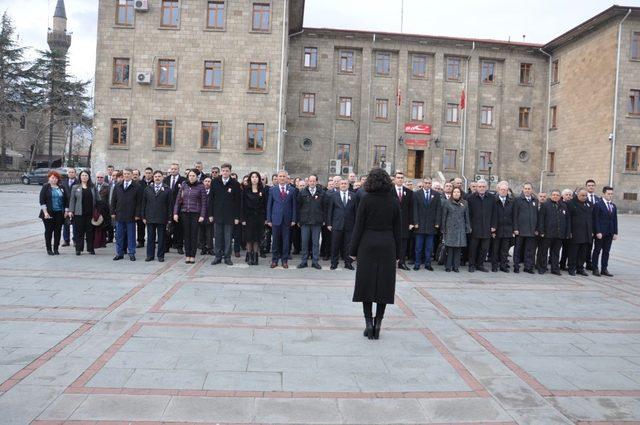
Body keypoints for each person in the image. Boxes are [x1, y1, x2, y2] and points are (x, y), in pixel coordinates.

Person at [350, 168, 401, 340]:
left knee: (366, 283)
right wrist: (399, 253)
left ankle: (368, 324)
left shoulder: (365, 199)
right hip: (387, 244)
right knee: (384, 286)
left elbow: (358, 226)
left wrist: (352, 250)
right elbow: (398, 230)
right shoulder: (394, 201)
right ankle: (378, 323)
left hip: (367, 244)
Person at [209, 163, 242, 266]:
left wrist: (237, 216)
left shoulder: (235, 183)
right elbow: (211, 199)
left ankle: (227, 257)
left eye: (227, 171)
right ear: (221, 172)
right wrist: (210, 214)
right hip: (217, 214)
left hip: (230, 216)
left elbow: (238, 202)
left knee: (228, 238)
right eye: (223, 171)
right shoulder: (215, 182)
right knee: (218, 237)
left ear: (230, 172)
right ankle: (217, 257)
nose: (225, 172)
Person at [173, 170, 207, 264]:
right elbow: (178, 200)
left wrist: (202, 215)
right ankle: (187, 255)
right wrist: (175, 213)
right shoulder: (184, 185)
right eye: (190, 175)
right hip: (184, 213)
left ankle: (192, 255)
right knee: (187, 235)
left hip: (195, 213)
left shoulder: (201, 186)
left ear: (197, 177)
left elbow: (204, 203)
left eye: (193, 176)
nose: (191, 177)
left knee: (194, 235)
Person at [267, 170, 297, 268]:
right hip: (275, 219)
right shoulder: (272, 190)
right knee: (275, 241)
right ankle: (274, 260)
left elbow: (294, 206)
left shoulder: (292, 190)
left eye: (284, 176)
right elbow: (269, 206)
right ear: (278, 178)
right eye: (280, 176)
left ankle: (285, 261)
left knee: (286, 241)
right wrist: (269, 219)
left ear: (287, 178)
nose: (282, 178)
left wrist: (293, 219)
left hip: (287, 220)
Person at [537, 190, 570, 275]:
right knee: (543, 252)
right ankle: (542, 268)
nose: (555, 196)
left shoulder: (564, 206)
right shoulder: (545, 205)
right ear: (551, 196)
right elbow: (541, 220)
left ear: (560, 197)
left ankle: (555, 269)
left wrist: (567, 232)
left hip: (559, 234)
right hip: (547, 234)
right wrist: (541, 231)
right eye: (554, 195)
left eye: (557, 195)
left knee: (555, 253)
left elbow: (567, 220)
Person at [141, 170, 172, 262]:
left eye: (159, 176)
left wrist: (169, 218)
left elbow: (170, 205)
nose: (157, 178)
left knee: (161, 238)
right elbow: (144, 204)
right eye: (155, 177)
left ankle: (160, 256)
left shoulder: (167, 189)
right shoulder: (147, 189)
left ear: (162, 178)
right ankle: (150, 255)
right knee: (150, 238)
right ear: (153, 178)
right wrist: (143, 216)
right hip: (150, 217)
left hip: (162, 217)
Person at [327, 179, 357, 270]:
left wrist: (356, 224)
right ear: (339, 185)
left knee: (348, 246)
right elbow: (330, 211)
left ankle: (348, 263)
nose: (343, 185)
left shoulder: (353, 196)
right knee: (335, 245)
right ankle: (334, 263)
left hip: (350, 225)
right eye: (342, 184)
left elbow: (356, 211)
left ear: (348, 185)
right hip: (336, 224)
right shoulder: (333, 196)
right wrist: (329, 223)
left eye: (345, 184)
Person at [467, 179, 497, 272]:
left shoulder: (492, 198)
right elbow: (468, 214)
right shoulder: (471, 198)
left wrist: (493, 225)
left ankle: (480, 264)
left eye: (483, 186)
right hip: (475, 228)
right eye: (479, 186)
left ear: (486, 187)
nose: (481, 188)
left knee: (484, 249)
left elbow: (494, 213)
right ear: (476, 187)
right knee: (473, 248)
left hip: (487, 228)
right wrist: (470, 226)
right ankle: (471, 265)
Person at [111, 169, 141, 261]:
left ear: (132, 175)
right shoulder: (118, 185)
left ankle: (131, 253)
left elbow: (139, 202)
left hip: (131, 215)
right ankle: (119, 253)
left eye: (128, 174)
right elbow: (113, 200)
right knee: (119, 235)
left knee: (131, 235)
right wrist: (112, 212)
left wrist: (137, 214)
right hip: (119, 214)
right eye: (125, 174)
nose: (126, 175)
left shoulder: (137, 186)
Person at [68, 170, 100, 256]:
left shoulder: (93, 187)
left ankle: (90, 248)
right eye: (83, 175)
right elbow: (72, 200)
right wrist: (71, 211)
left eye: (86, 175)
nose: (84, 177)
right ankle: (78, 249)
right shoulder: (75, 187)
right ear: (80, 177)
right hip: (79, 213)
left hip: (90, 213)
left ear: (89, 177)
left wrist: (100, 210)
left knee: (90, 232)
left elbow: (98, 199)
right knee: (79, 232)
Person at [412, 177, 441, 271]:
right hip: (419, 225)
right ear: (423, 183)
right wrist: (415, 222)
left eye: (429, 183)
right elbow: (415, 209)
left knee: (429, 247)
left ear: (431, 184)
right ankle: (417, 263)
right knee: (418, 247)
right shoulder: (417, 194)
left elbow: (438, 209)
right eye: (426, 183)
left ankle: (428, 264)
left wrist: (437, 222)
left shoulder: (436, 194)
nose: (427, 185)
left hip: (431, 225)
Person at [297, 174, 324, 269]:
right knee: (304, 242)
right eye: (310, 181)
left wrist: (323, 219)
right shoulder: (302, 192)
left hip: (317, 222)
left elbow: (324, 207)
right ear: (308, 182)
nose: (312, 183)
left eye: (314, 181)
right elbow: (298, 207)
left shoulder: (321, 192)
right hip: (305, 222)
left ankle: (315, 261)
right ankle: (304, 261)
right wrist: (298, 220)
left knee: (316, 243)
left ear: (316, 182)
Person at [442, 187, 472, 273]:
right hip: (450, 228)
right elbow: (444, 216)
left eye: (458, 192)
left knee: (458, 249)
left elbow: (467, 216)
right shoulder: (447, 203)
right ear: (452, 193)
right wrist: (443, 228)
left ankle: (456, 266)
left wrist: (467, 227)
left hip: (460, 228)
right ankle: (448, 266)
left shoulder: (465, 203)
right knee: (450, 248)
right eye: (454, 192)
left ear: (460, 194)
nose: (456, 193)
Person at [39, 170, 68, 255]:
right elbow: (42, 200)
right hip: (48, 213)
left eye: (56, 178)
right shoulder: (45, 187)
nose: (54, 179)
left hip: (59, 213)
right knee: (48, 231)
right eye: (52, 178)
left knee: (58, 231)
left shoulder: (61, 187)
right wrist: (45, 212)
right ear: (49, 178)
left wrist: (66, 210)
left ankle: (56, 248)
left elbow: (66, 199)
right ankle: (49, 249)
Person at [591, 186, 618, 277]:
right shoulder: (598, 204)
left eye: (611, 194)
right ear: (604, 194)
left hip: (610, 232)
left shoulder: (613, 206)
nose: (610, 195)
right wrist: (597, 231)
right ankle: (595, 268)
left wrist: (615, 232)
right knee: (597, 250)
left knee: (606, 251)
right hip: (600, 233)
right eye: (608, 194)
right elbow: (596, 219)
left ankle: (604, 269)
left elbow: (615, 220)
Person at [242, 171, 267, 266]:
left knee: (256, 238)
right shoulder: (245, 190)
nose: (254, 179)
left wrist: (265, 218)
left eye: (256, 177)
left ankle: (255, 257)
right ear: (250, 179)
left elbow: (265, 205)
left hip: (259, 218)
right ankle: (249, 255)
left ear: (259, 179)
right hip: (248, 217)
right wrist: (243, 219)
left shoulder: (262, 190)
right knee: (249, 238)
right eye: (252, 177)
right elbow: (242, 205)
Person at [566, 188, 593, 276]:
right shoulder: (570, 203)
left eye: (586, 195)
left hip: (586, 232)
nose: (584, 197)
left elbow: (591, 218)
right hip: (575, 232)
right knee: (573, 252)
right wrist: (569, 231)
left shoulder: (589, 204)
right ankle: (571, 268)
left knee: (583, 252)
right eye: (582, 195)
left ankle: (580, 268)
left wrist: (592, 231)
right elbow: (568, 218)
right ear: (577, 195)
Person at [512, 182, 538, 274]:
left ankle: (528, 267)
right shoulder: (518, 200)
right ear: (523, 190)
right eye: (526, 188)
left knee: (529, 250)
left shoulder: (535, 200)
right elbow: (514, 215)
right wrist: (515, 228)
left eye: (529, 189)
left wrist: (536, 229)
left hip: (531, 231)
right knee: (518, 249)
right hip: (520, 230)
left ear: (532, 190)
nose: (527, 190)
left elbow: (536, 216)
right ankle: (516, 266)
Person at [392, 171, 414, 270]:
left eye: (401, 178)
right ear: (395, 179)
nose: (400, 179)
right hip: (392, 222)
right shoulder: (389, 191)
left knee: (403, 244)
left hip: (405, 223)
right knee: (392, 243)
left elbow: (411, 208)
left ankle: (402, 262)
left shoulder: (409, 192)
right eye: (398, 177)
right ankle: (391, 263)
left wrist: (411, 222)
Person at [492, 181, 514, 272]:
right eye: (502, 189)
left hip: (508, 230)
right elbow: (491, 215)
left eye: (505, 190)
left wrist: (513, 229)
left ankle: (503, 266)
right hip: (497, 229)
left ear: (508, 191)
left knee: (505, 250)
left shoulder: (512, 201)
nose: (503, 191)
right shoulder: (493, 200)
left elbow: (514, 215)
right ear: (498, 190)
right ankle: (494, 266)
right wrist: (492, 229)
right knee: (495, 249)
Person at [164, 163, 185, 254]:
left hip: (179, 208)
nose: (173, 170)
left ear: (178, 170)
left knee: (179, 229)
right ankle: (166, 246)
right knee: (167, 228)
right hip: (167, 207)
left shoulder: (183, 180)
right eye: (172, 169)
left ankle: (179, 246)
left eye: (175, 169)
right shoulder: (166, 179)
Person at [585, 179, 600, 270]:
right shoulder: (583, 197)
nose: (591, 187)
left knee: (596, 248)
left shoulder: (598, 199)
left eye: (592, 185)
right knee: (587, 246)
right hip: (587, 227)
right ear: (586, 187)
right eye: (589, 185)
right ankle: (585, 262)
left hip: (596, 227)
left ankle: (591, 264)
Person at [61, 167, 77, 247]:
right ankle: (66, 240)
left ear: (75, 173)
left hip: (75, 206)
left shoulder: (78, 182)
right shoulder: (63, 182)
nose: (71, 173)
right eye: (70, 172)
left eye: (73, 172)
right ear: (67, 173)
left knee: (75, 224)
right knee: (66, 224)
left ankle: (75, 240)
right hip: (65, 206)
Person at [199, 177, 214, 256]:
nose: (207, 183)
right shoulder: (200, 192)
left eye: (209, 181)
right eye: (206, 181)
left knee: (209, 233)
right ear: (203, 182)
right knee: (201, 233)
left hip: (209, 215)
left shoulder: (213, 192)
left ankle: (210, 248)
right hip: (201, 215)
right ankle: (203, 248)